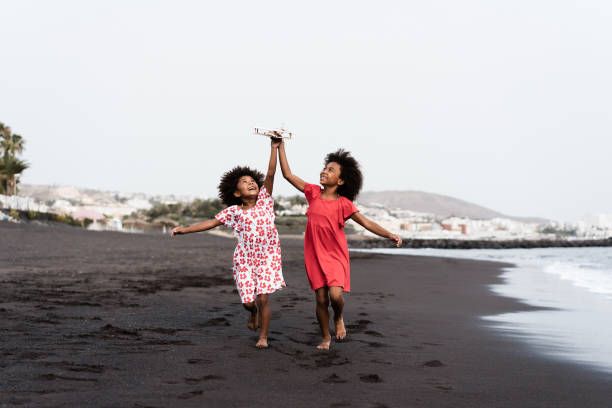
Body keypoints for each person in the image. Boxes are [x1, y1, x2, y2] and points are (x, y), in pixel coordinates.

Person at [277, 141, 401, 350]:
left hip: (335, 255)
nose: (324, 171)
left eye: (330, 170)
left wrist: (389, 234)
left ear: (341, 180)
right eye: (325, 167)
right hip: (314, 254)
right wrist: (279, 147)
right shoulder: (313, 193)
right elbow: (288, 174)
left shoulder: (343, 204)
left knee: (335, 295)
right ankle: (325, 338)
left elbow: (367, 222)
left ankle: (339, 316)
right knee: (321, 298)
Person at [171, 139, 285, 348]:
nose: (251, 183)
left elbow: (270, 174)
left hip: (268, 258)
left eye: (252, 181)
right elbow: (211, 222)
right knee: (249, 303)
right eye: (244, 182)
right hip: (244, 260)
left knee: (263, 299)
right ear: (236, 193)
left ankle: (263, 337)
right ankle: (252, 314)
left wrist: (274, 149)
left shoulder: (265, 201)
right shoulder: (233, 212)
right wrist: (184, 229)